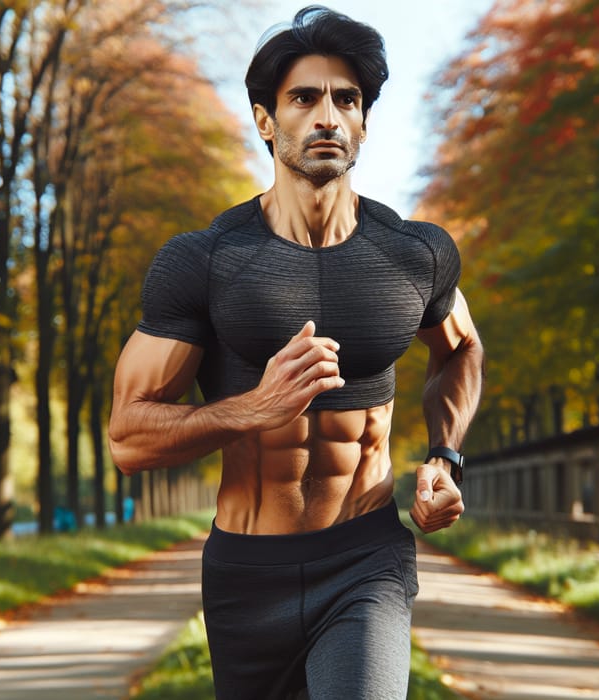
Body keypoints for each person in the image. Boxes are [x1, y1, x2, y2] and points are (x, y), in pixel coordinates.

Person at [109, 6, 484, 699]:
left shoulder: (415, 255)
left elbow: (461, 350)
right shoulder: (207, 261)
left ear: (365, 122)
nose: (328, 117)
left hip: (364, 556)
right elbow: (128, 438)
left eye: (347, 100)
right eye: (304, 98)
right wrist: (252, 408)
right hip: (248, 573)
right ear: (265, 120)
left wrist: (443, 455)